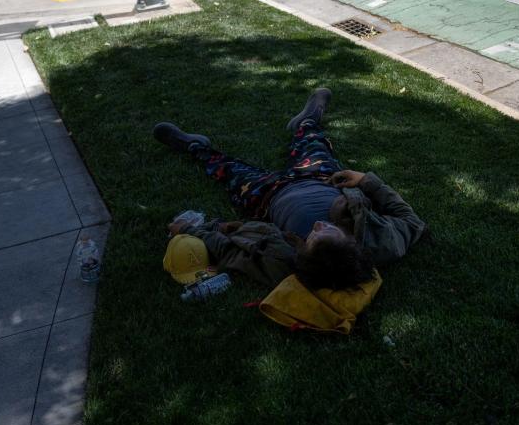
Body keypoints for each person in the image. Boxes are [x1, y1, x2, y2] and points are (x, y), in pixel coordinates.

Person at [154, 88, 426, 291]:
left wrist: (189, 230)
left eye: (313, 237)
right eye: (328, 230)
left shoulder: (285, 263)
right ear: (351, 242)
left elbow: (229, 252)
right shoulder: (380, 241)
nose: (318, 226)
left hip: (268, 195)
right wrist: (366, 180)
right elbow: (410, 219)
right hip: (322, 178)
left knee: (229, 171)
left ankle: (194, 146)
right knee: (312, 141)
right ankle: (307, 121)